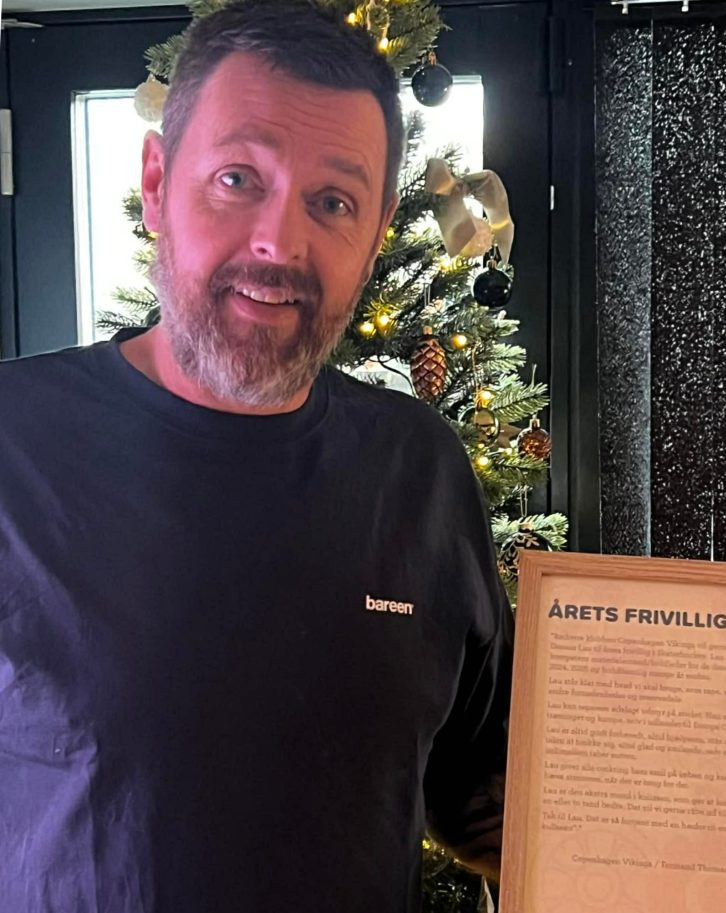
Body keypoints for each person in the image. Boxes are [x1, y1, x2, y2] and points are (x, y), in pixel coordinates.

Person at [0, 1, 512, 910]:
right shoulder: (13, 441)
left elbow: (486, 796)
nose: (280, 242)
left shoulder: (421, 470)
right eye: (238, 178)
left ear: (376, 232)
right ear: (157, 182)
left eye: (333, 201)